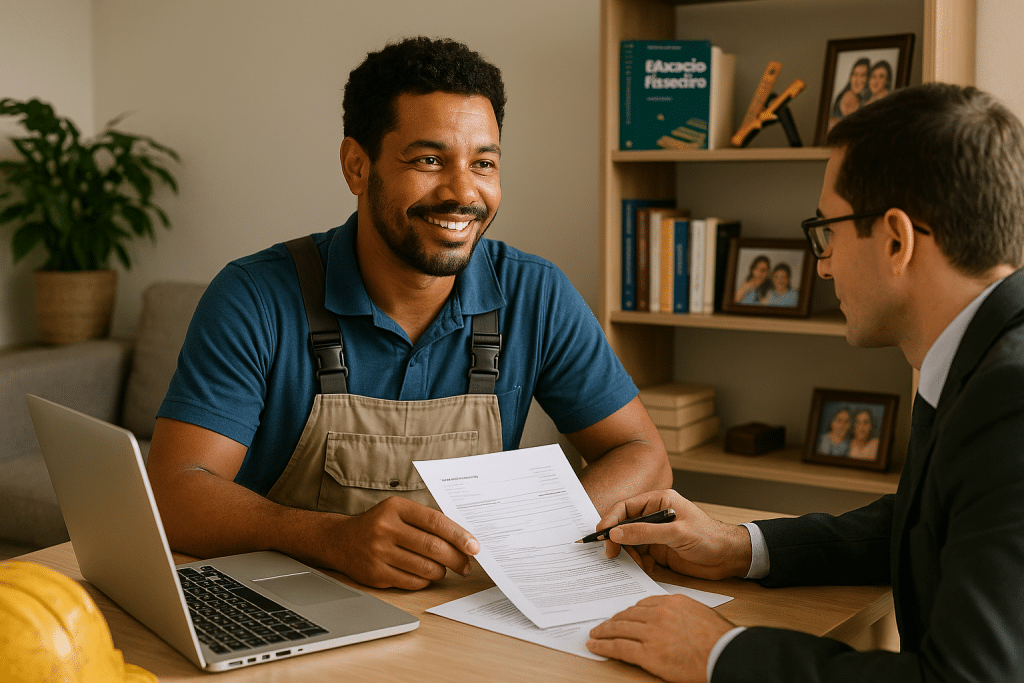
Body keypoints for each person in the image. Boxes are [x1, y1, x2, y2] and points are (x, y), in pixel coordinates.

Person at [146, 36, 672, 592]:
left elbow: (643, 455)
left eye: (484, 162)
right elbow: (174, 492)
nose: (463, 192)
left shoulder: (535, 293)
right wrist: (332, 538)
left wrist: (527, 534)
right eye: (428, 160)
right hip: (293, 603)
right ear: (356, 166)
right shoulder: (254, 296)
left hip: (468, 611)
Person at [586, 82, 1024, 681]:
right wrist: (738, 547)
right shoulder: (986, 354)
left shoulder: (1012, 398)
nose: (820, 264)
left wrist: (718, 654)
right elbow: (926, 520)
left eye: (828, 232)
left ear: (896, 240)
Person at [827, 57, 870, 132]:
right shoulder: (841, 97)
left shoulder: (866, 100)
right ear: (851, 76)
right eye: (855, 74)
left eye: (862, 75)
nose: (857, 80)